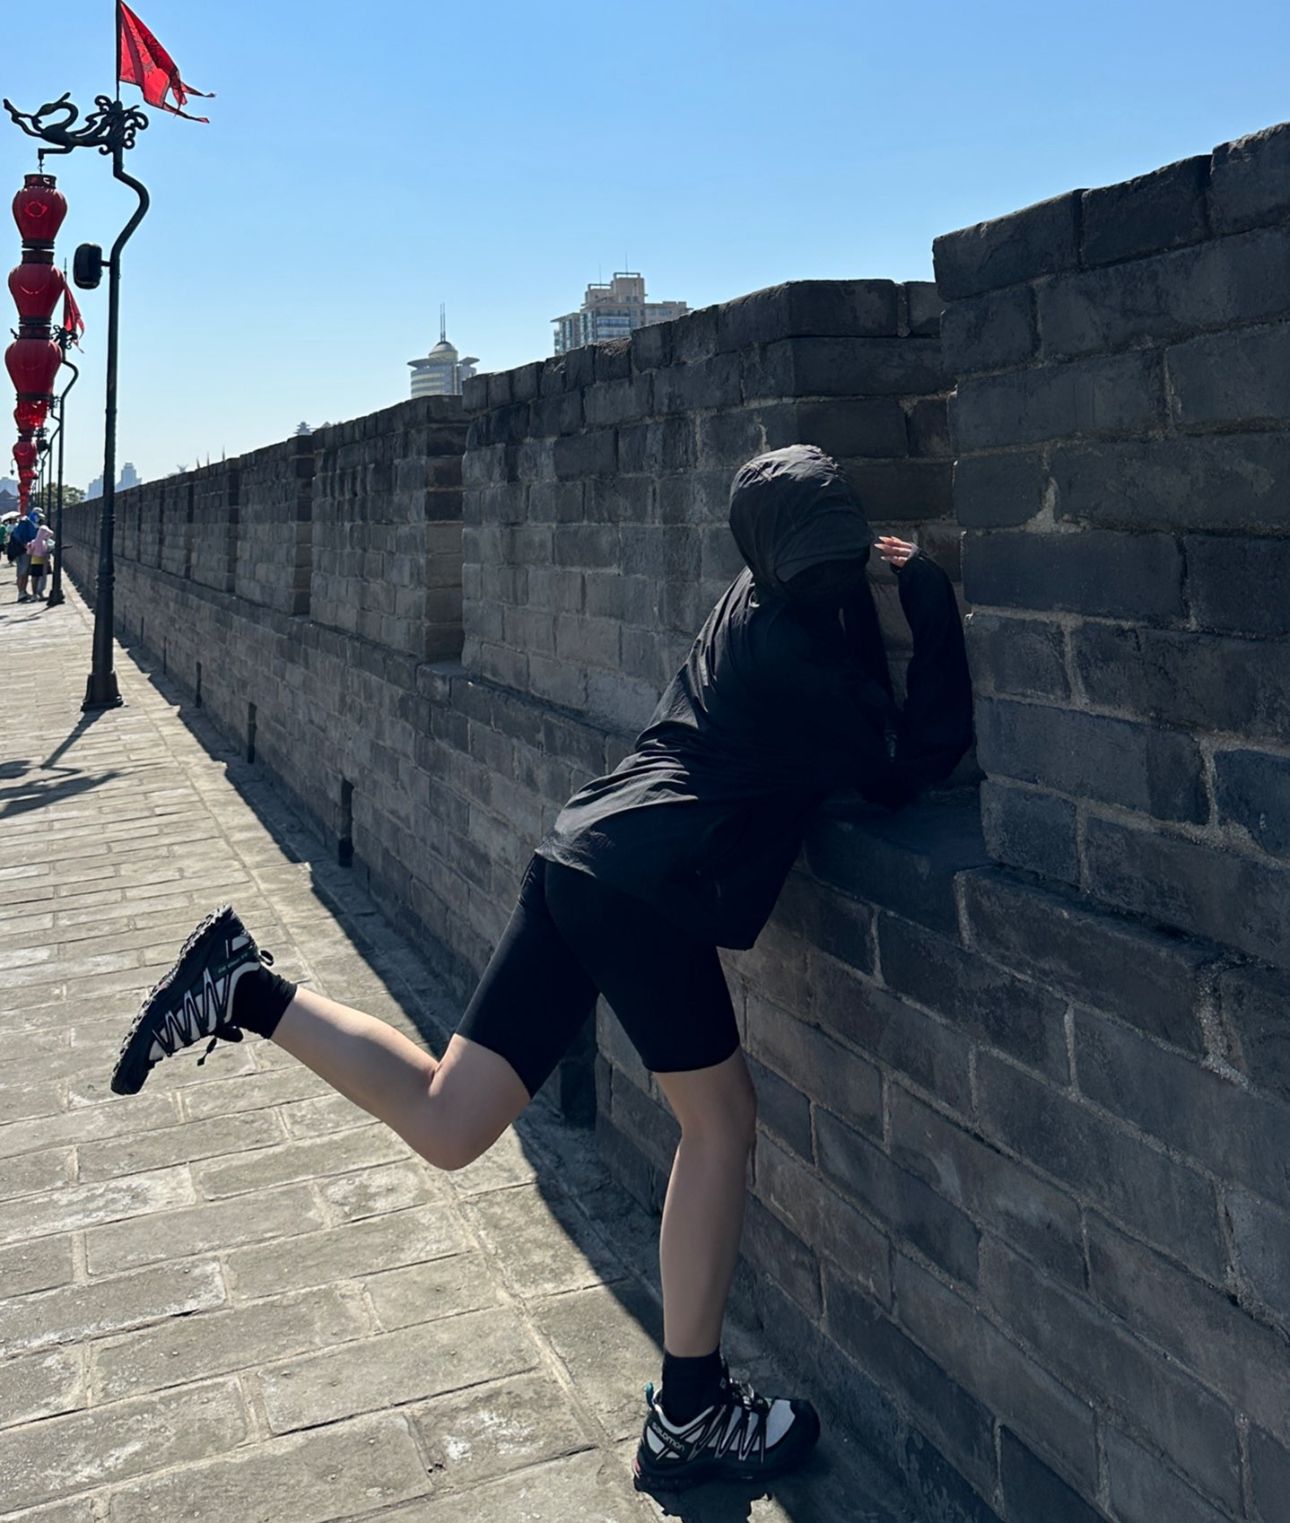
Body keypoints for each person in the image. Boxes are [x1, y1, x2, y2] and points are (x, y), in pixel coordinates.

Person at [109, 444, 973, 1493]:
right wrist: (926, 595)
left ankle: (246, 987)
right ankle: (690, 1412)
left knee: (448, 1120)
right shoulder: (796, 654)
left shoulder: (749, 600)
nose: (843, 576)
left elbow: (829, 649)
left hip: (579, 852)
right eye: (834, 558)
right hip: (642, 888)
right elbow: (910, 762)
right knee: (721, 1122)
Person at [7, 507, 41, 602]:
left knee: (25, 572)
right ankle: (21, 592)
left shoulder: (32, 523)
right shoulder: (25, 522)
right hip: (23, 550)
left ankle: (24, 591)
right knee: (22, 571)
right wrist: (24, 544)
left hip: (29, 549)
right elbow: (17, 535)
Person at [26, 519, 54, 600]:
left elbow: (29, 552)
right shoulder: (43, 543)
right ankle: (37, 593)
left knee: (36, 577)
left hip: (35, 561)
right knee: (39, 577)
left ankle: (37, 593)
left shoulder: (34, 542)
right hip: (41, 561)